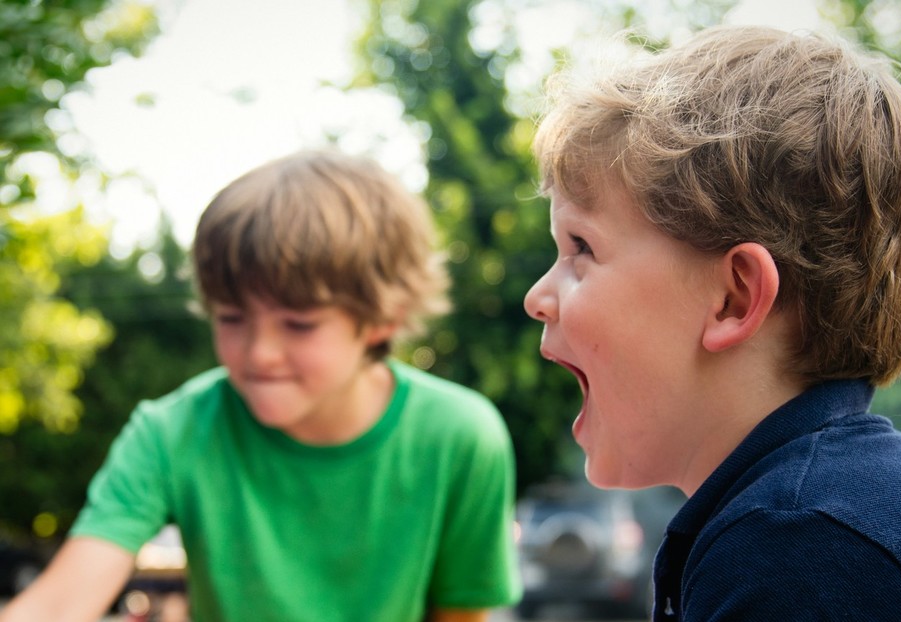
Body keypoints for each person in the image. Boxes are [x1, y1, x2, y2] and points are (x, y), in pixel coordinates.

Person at [523, 24, 901, 621]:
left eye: (581, 247)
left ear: (735, 298)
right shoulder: (826, 510)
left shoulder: (795, 550)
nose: (536, 297)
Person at [1, 150, 521, 622]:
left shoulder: (461, 436)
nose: (258, 354)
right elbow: (63, 600)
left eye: (298, 324)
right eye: (231, 318)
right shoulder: (172, 431)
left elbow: (460, 616)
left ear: (385, 318)